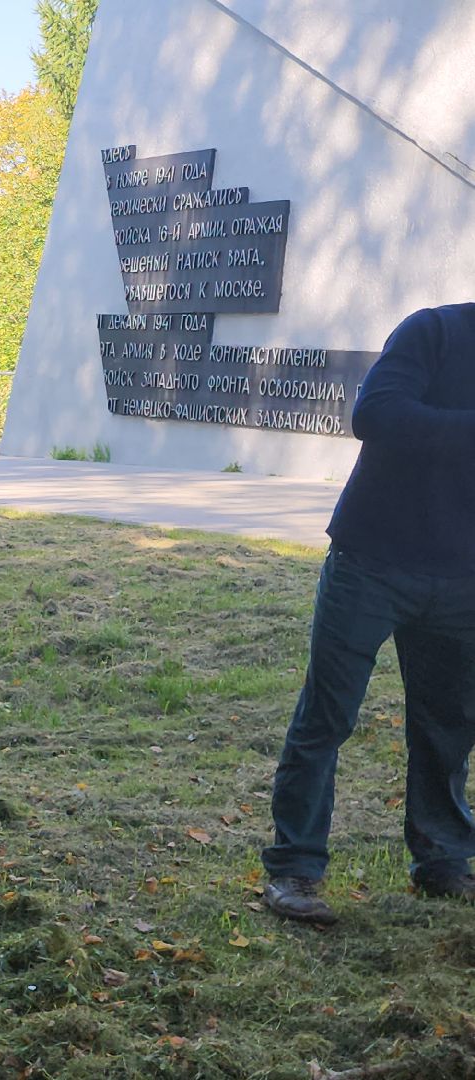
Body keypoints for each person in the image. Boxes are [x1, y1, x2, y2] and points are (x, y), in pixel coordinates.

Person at [262, 303, 475, 925]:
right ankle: (294, 870)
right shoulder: (433, 330)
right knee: (326, 717)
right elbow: (374, 414)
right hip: (373, 559)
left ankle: (442, 862)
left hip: (463, 577)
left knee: (449, 727)